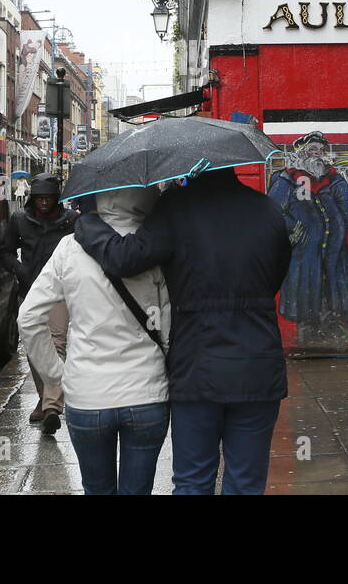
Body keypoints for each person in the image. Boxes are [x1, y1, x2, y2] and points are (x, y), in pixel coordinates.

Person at [74, 167, 291, 495]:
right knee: (246, 482)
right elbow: (276, 277)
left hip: (196, 369)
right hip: (258, 366)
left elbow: (124, 258)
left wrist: (88, 223)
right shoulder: (269, 210)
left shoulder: (176, 207)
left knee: (193, 480)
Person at [19, 186, 170, 494]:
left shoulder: (68, 248)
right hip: (146, 393)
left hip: (87, 395)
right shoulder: (155, 245)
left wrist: (55, 375)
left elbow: (28, 318)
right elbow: (167, 324)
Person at [267, 131, 348, 347]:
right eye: (312, 149)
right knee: (307, 303)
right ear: (301, 153)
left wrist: (336, 226)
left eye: (320, 150)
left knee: (337, 302)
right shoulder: (286, 180)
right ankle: (308, 343)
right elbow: (273, 211)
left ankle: (338, 340)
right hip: (304, 257)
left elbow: (346, 209)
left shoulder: (335, 179)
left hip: (335, 255)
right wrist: (298, 230)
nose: (317, 154)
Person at [0, 174, 77, 433]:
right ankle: (46, 399)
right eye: (40, 198)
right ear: (33, 198)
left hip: (58, 291)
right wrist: (21, 270)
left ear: (57, 199)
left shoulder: (70, 222)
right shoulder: (20, 220)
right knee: (34, 344)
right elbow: (6, 252)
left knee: (56, 342)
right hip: (31, 287)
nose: (44, 202)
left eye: (49, 198)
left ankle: (52, 405)